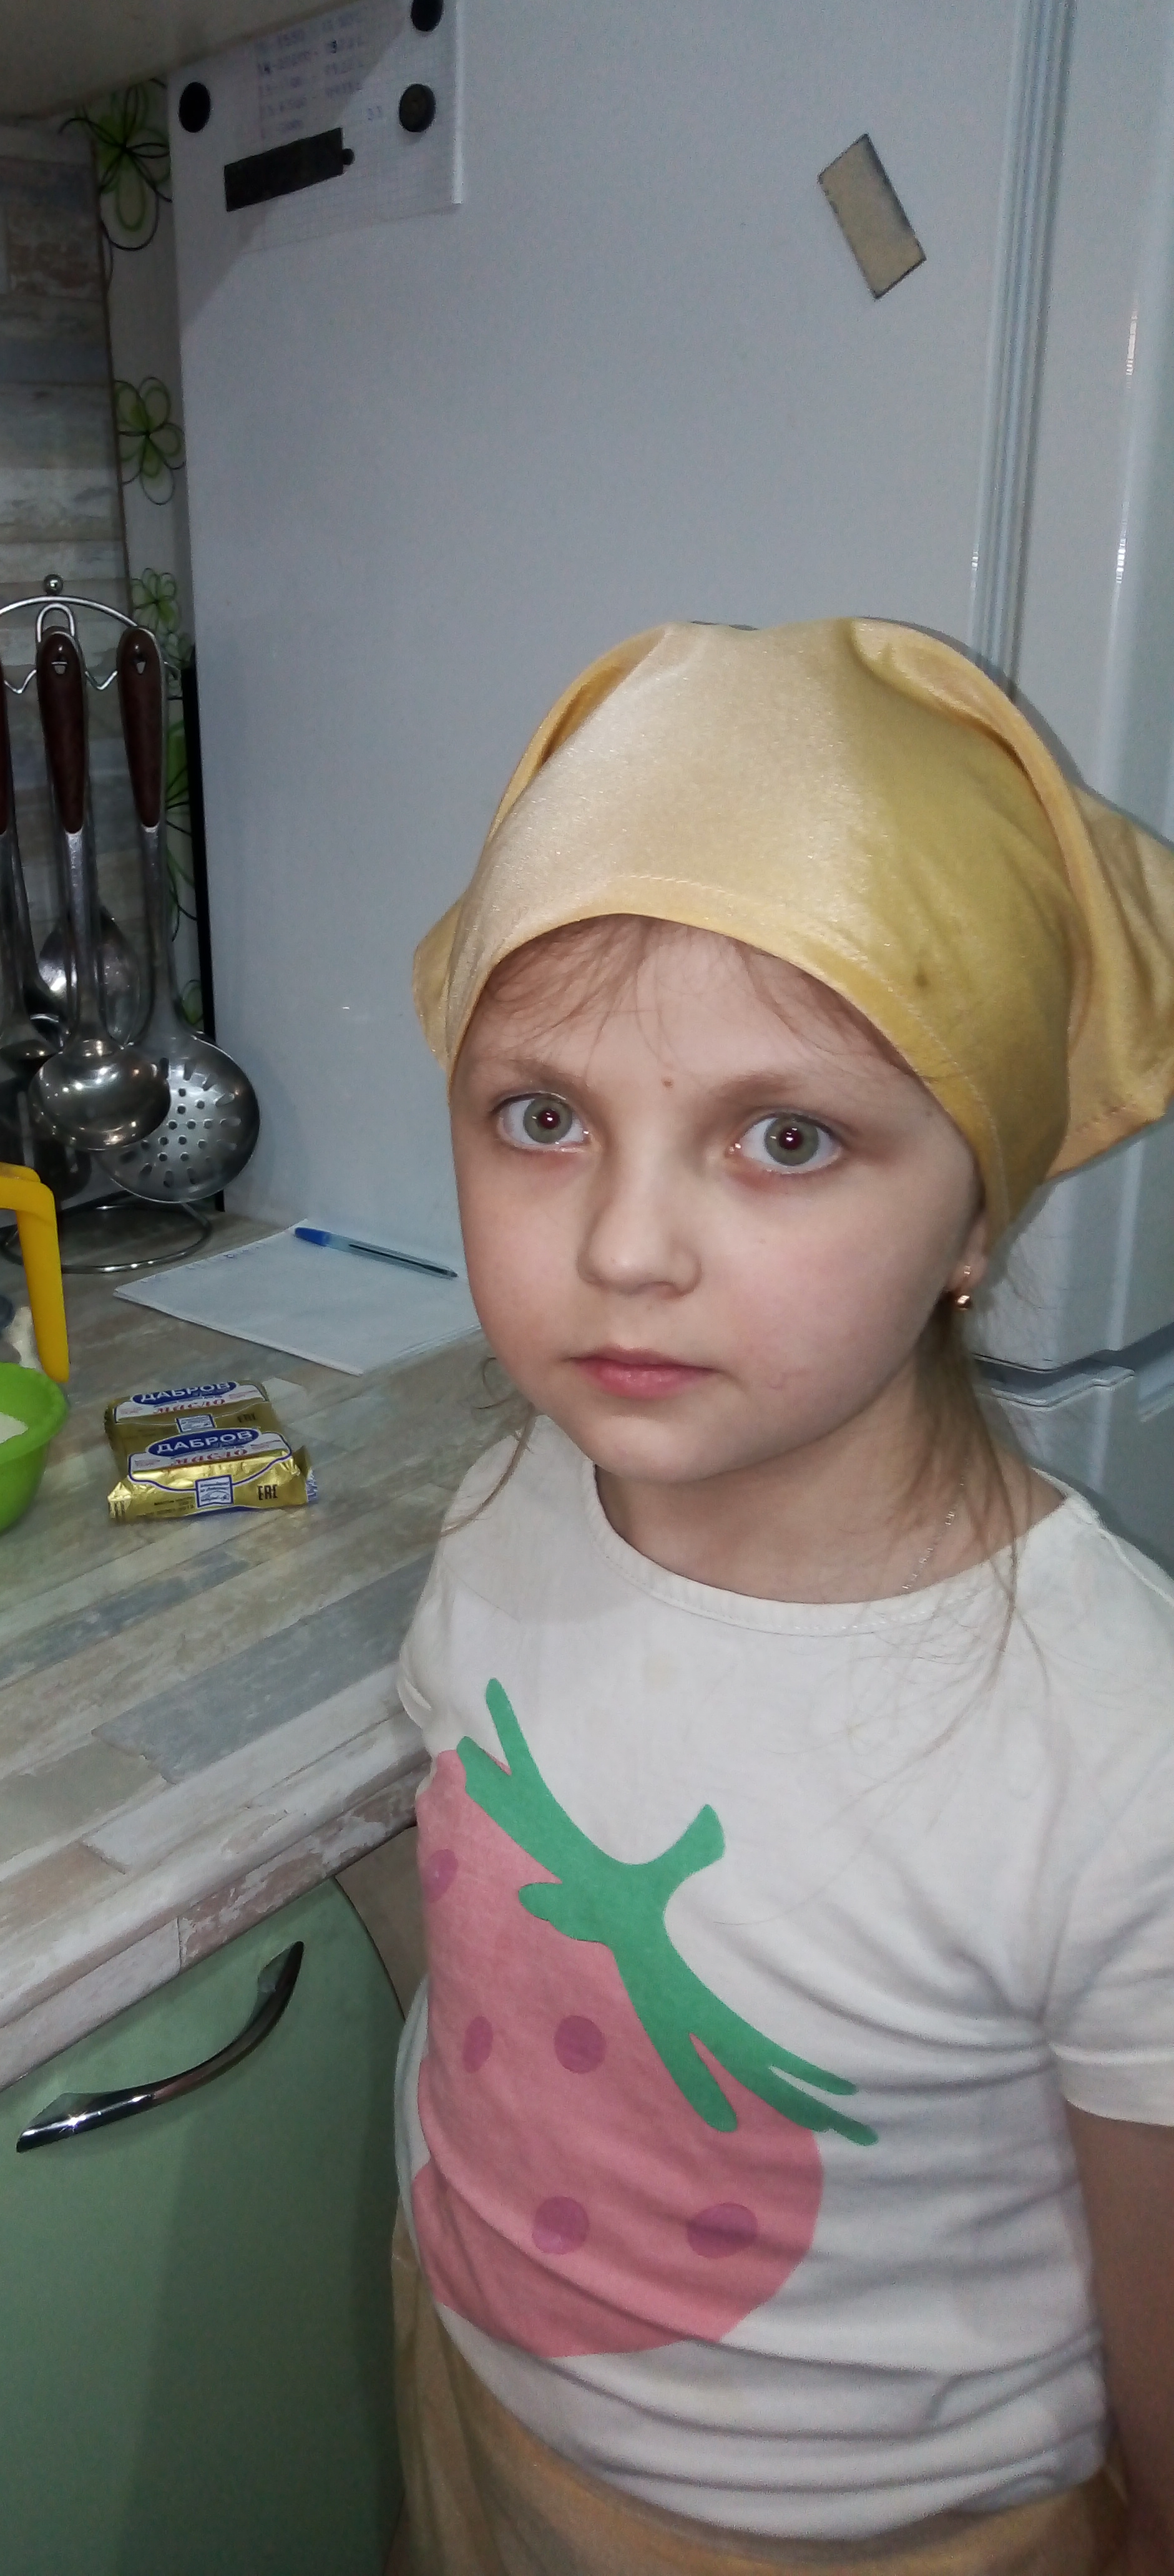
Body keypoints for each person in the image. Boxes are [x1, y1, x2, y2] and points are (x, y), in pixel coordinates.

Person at [391, 620, 1174, 2575]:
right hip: (480, 2405)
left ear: (977, 1211)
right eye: (542, 1116)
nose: (625, 1248)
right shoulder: (512, 1504)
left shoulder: (1115, 1756)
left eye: (787, 1138)